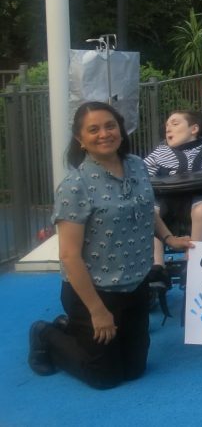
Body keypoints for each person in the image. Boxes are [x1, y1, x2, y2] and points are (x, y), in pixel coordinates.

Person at [27, 102, 192, 388]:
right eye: (93, 129)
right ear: (80, 139)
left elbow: (145, 210)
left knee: (134, 369)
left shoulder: (137, 166)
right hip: (94, 292)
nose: (104, 134)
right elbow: (69, 256)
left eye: (110, 126)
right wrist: (97, 310)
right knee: (105, 377)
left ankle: (77, 330)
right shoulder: (75, 185)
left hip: (135, 285)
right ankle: (46, 334)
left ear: (120, 129)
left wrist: (169, 238)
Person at [145, 110, 202, 287]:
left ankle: (192, 262)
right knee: (152, 211)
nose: (168, 129)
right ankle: (158, 267)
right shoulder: (161, 152)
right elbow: (141, 176)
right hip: (170, 201)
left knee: (200, 209)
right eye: (166, 126)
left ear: (194, 128)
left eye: (174, 123)